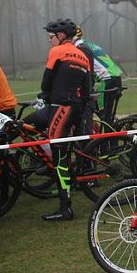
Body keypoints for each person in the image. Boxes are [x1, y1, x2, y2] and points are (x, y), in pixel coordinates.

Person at [29, 19, 92, 221]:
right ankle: (52, 169)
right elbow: (87, 89)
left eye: (51, 37)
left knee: (59, 158)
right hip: (74, 107)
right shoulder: (82, 54)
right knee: (59, 149)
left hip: (60, 106)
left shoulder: (57, 52)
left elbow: (45, 82)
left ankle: (66, 208)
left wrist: (46, 95)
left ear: (61, 35)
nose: (50, 41)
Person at [74, 26, 123, 126]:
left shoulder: (80, 48)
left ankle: (109, 139)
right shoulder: (88, 44)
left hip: (107, 79)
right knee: (104, 114)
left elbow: (87, 70)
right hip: (114, 76)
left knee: (103, 115)